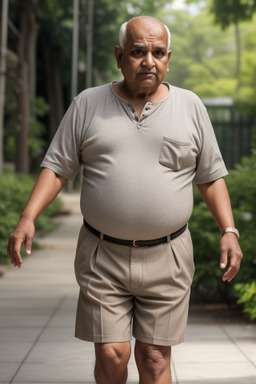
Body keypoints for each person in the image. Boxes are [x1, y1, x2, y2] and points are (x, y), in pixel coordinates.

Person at [8, 16, 243, 384]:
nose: (148, 60)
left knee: (153, 360)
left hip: (169, 254)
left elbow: (211, 177)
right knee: (111, 355)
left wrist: (229, 230)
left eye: (157, 52)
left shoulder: (191, 107)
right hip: (103, 254)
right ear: (119, 56)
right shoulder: (87, 104)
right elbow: (57, 169)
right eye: (137, 52)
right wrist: (27, 217)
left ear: (168, 58)